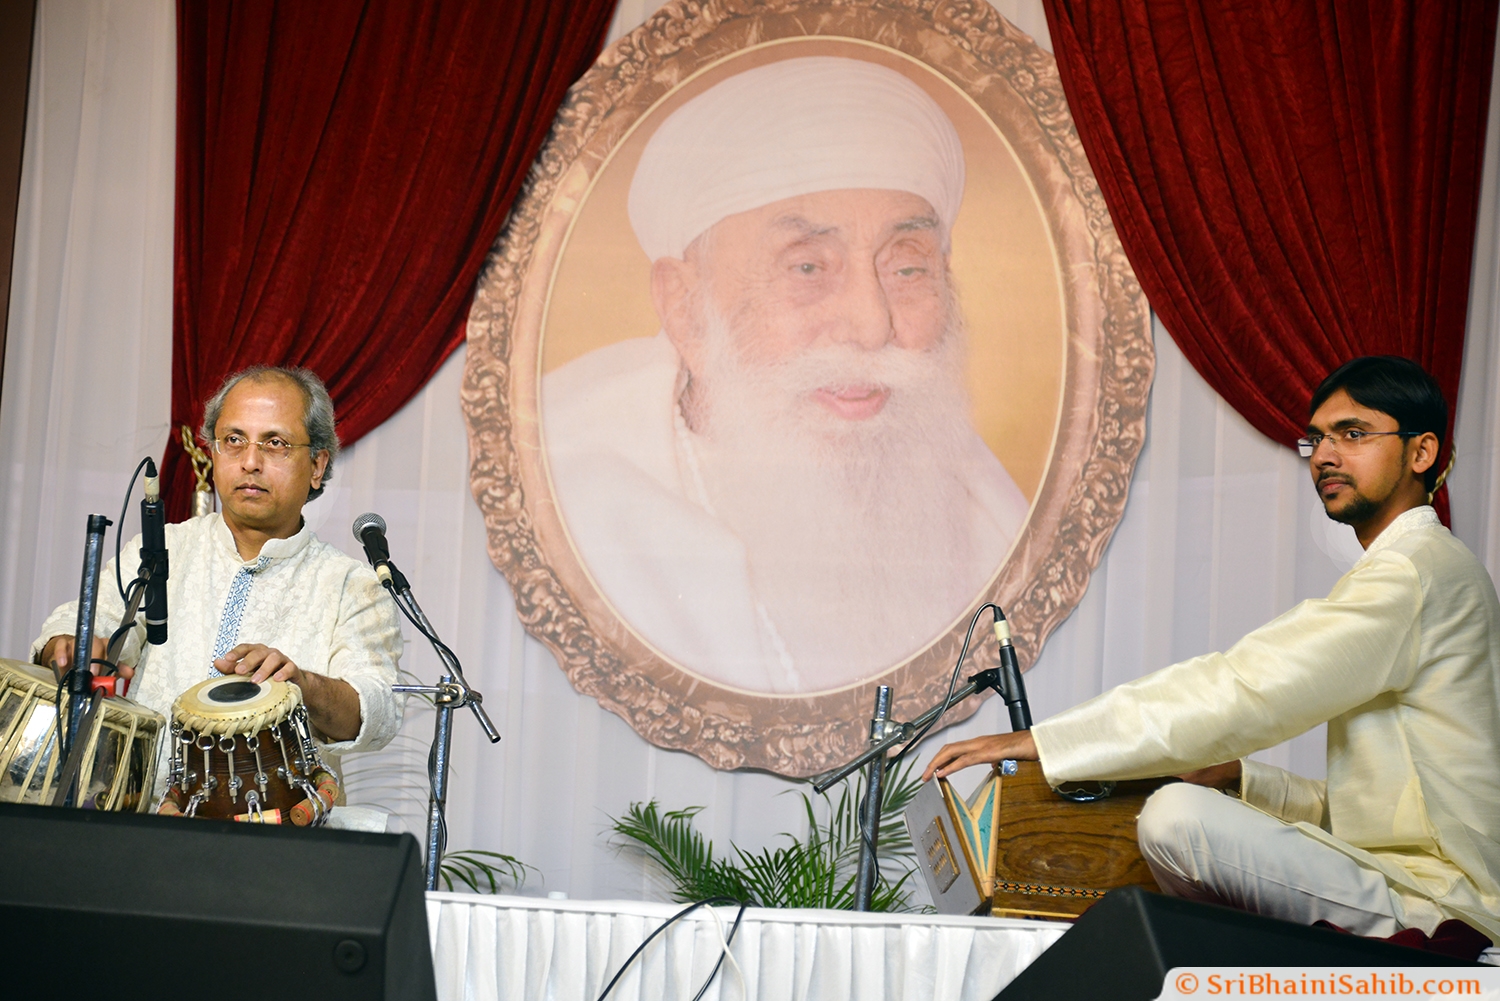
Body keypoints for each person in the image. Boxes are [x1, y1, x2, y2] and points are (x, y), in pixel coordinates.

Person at [924, 356, 1500, 941]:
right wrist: (1241, 779)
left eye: (1352, 434)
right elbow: (1381, 812)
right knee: (1189, 804)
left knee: (1176, 819)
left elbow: (1247, 687)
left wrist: (1045, 742)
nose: (1325, 455)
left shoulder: (1413, 571)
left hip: (1443, 897)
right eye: (1317, 439)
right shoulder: (1418, 568)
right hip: (1402, 879)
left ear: (1421, 452)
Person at [542, 56, 1029, 694]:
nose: (870, 325)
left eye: (907, 268)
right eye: (807, 267)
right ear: (686, 309)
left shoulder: (990, 520)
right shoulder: (581, 513)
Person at [33, 366, 403, 800]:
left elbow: (375, 711)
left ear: (317, 465)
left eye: (275, 443)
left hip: (275, 827)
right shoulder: (164, 549)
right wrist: (70, 645)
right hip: (143, 817)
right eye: (234, 440)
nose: (250, 461)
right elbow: (88, 620)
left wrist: (303, 685)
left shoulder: (351, 585)